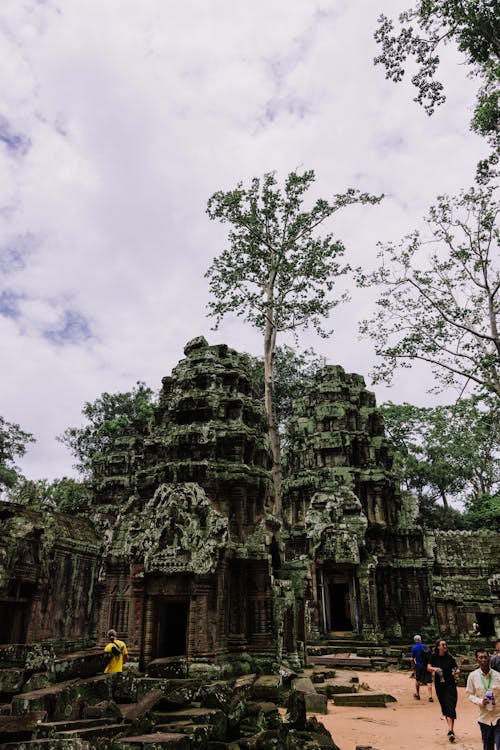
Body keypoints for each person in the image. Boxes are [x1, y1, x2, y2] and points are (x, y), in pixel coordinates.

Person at [466, 648, 500, 750]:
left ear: (489, 659)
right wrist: (480, 701)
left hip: (498, 717)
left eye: (486, 657)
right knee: (488, 747)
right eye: (481, 657)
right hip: (484, 719)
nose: (484, 660)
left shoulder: (498, 676)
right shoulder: (472, 676)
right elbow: (469, 694)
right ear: (477, 660)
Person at [428, 639, 460, 743]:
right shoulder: (434, 657)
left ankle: (451, 730)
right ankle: (450, 729)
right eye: (443, 644)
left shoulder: (449, 657)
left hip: (450, 685)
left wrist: (455, 672)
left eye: (446, 644)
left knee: (450, 706)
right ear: (438, 647)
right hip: (440, 686)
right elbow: (428, 667)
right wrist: (435, 669)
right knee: (445, 707)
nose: (445, 646)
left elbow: (457, 668)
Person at [410, 634, 433, 701]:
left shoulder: (414, 648)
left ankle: (417, 694)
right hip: (427, 666)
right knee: (429, 681)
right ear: (420, 640)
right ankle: (430, 696)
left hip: (419, 666)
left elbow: (412, 659)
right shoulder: (425, 646)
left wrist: (413, 666)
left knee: (417, 680)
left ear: (415, 641)